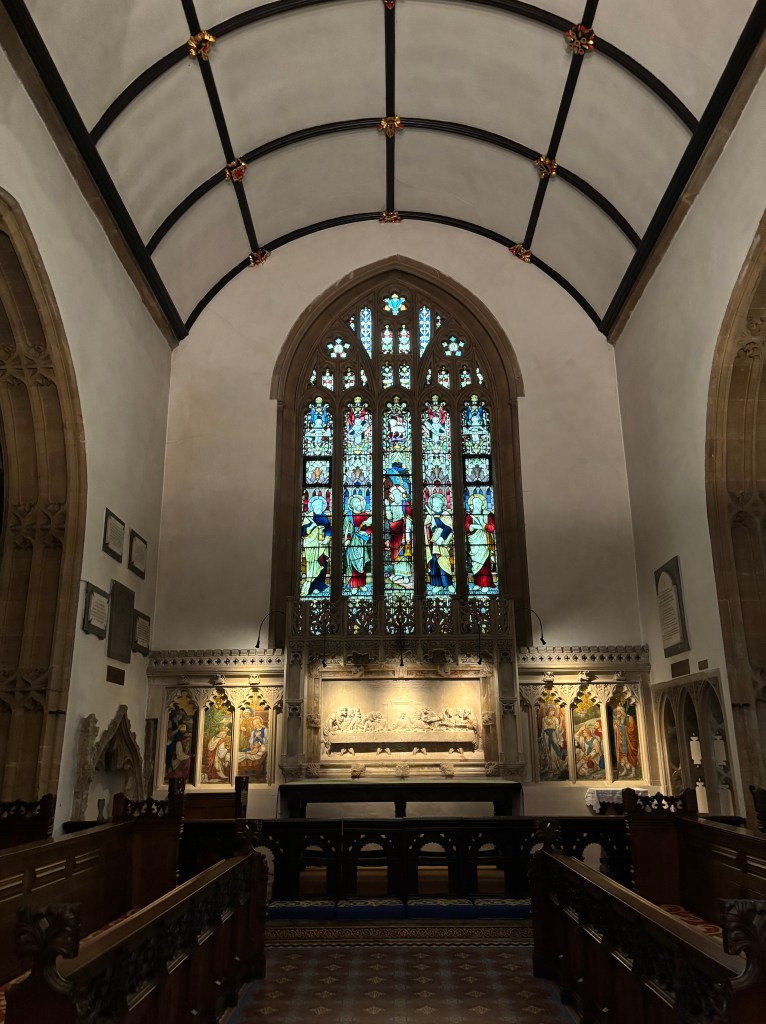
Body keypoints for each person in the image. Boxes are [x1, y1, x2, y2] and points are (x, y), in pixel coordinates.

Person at [301, 494, 331, 596]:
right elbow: (303, 531)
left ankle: (320, 585)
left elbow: (328, 528)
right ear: (312, 506)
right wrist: (310, 527)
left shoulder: (324, 516)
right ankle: (311, 586)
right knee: (312, 565)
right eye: (316, 505)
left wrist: (327, 539)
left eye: (320, 505)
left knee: (322, 563)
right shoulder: (308, 516)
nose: (319, 507)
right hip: (311, 544)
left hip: (322, 544)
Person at [424, 492, 454, 593]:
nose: (435, 503)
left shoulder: (445, 514)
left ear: (441, 503)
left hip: (442, 543)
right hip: (433, 544)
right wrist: (430, 526)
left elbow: (449, 527)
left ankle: (448, 584)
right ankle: (438, 585)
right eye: (433, 502)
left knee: (444, 563)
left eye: (437, 501)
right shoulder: (430, 515)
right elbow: (426, 527)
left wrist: (441, 538)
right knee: (434, 564)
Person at [465, 492, 496, 590]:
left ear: (482, 503)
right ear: (471, 505)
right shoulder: (469, 516)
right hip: (474, 542)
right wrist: (474, 526)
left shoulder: (487, 514)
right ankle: (478, 584)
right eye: (475, 502)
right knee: (476, 563)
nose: (477, 504)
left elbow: (492, 528)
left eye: (478, 502)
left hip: (485, 542)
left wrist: (483, 525)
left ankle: (486, 584)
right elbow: (466, 527)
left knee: (485, 563)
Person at [343, 494, 372, 591]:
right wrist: (347, 539)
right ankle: (353, 586)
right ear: (351, 505)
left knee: (362, 562)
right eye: (356, 502)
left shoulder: (365, 515)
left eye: (359, 501)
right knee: (352, 563)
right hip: (352, 541)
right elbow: (346, 529)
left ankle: (362, 584)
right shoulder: (348, 516)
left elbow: (370, 527)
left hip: (362, 541)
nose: (358, 503)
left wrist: (366, 532)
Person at [613, 705, 639, 777]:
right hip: (621, 741)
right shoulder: (618, 720)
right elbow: (617, 731)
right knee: (623, 756)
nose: (617, 714)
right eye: (617, 712)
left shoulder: (629, 718)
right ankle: (625, 770)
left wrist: (620, 726)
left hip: (629, 741)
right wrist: (616, 726)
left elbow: (632, 729)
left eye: (618, 712)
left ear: (622, 712)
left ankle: (633, 772)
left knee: (631, 755)